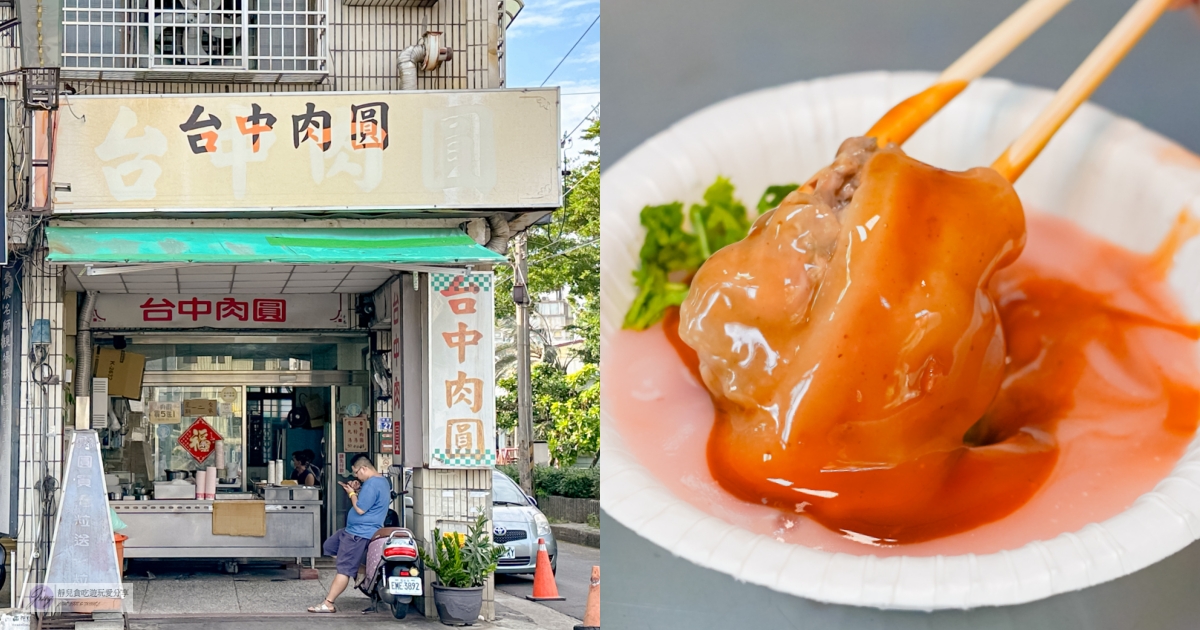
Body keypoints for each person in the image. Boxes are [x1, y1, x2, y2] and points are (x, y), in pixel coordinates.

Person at [307, 454, 391, 613]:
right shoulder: (379, 482)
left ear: (364, 468)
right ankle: (360, 570)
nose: (356, 476)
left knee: (344, 569)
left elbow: (360, 509)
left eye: (356, 473)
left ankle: (328, 603)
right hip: (351, 531)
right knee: (330, 546)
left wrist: (351, 493)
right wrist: (358, 488)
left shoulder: (372, 484)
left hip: (359, 533)